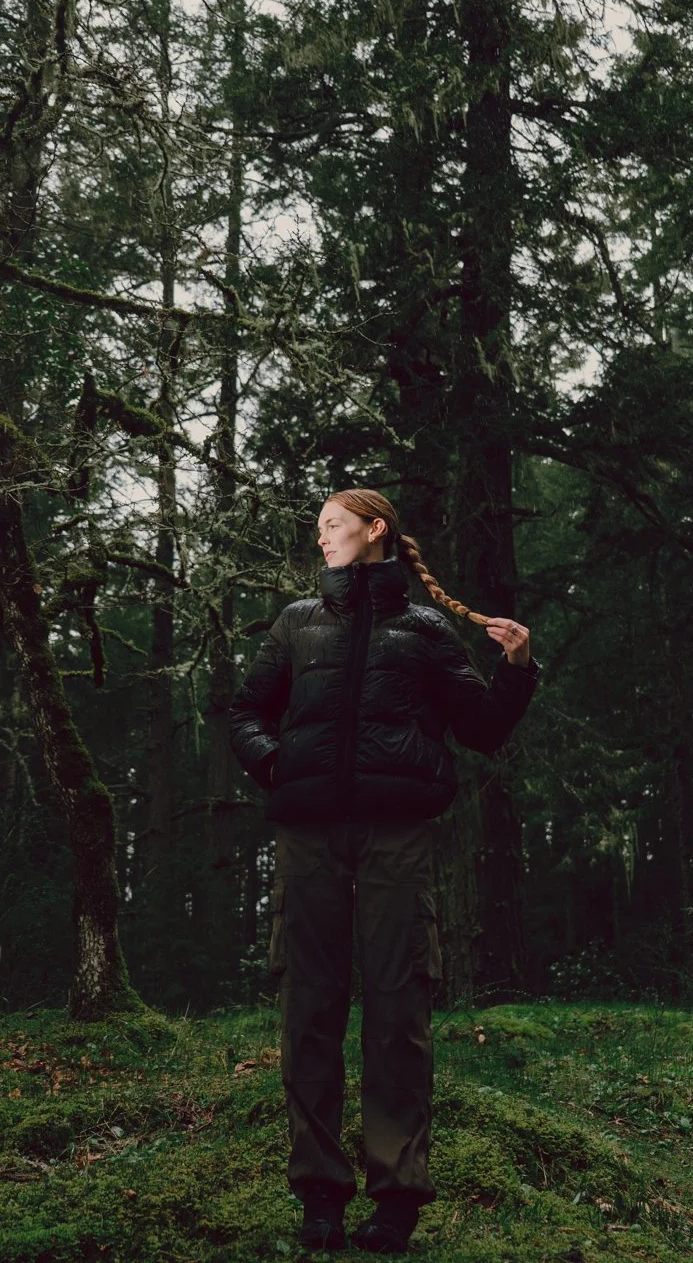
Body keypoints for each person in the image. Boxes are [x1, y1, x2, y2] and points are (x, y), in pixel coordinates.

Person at [228, 488, 541, 1253]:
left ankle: (396, 1200)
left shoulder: (425, 629)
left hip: (397, 838)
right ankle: (320, 1195)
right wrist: (276, 764)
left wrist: (517, 667)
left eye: (333, 524)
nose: (322, 538)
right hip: (308, 839)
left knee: (398, 1012)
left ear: (375, 529)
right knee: (310, 1010)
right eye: (319, 528)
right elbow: (244, 711)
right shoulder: (297, 622)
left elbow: (481, 729)